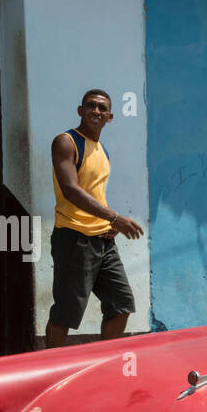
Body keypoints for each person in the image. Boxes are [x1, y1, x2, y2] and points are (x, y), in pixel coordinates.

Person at [45, 89, 144, 348]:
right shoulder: (66, 141)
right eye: (91, 106)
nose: (96, 111)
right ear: (81, 110)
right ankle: (51, 370)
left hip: (103, 239)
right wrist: (114, 217)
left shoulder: (103, 151)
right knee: (66, 311)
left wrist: (109, 223)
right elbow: (71, 190)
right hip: (74, 237)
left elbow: (94, 194)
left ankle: (101, 363)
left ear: (110, 116)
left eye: (102, 108)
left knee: (121, 304)